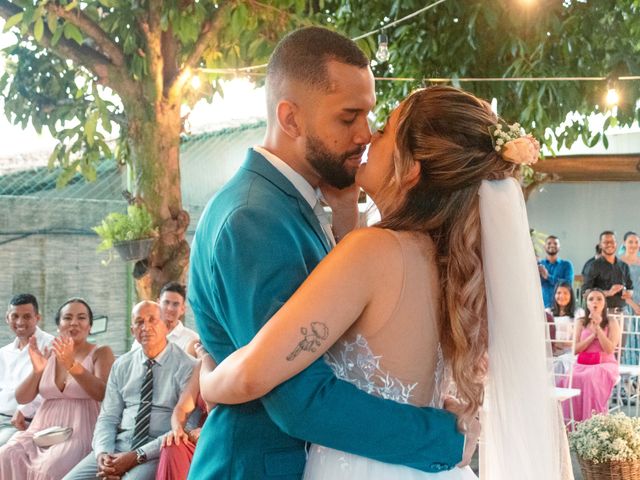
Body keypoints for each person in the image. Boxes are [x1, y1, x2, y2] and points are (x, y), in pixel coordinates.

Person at [198, 85, 569, 479]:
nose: (367, 136)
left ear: (411, 169)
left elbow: (255, 374)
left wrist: (207, 381)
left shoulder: (371, 251)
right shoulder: (453, 262)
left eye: (386, 129)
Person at [188, 27, 479, 480]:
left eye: (371, 117)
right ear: (291, 119)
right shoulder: (253, 217)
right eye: (349, 118)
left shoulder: (303, 207)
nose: (364, 135)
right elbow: (297, 398)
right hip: (258, 466)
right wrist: (443, 437)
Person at [64, 301, 195, 480]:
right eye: (139, 322)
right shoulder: (122, 365)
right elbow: (108, 417)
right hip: (119, 447)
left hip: (156, 451)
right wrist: (103, 454)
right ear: (132, 331)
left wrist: (137, 455)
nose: (145, 327)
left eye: (152, 320)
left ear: (166, 326)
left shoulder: (188, 366)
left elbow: (187, 427)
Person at [0, 298, 114, 480]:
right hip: (41, 429)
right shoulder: (50, 352)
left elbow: (103, 394)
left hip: (79, 430)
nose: (74, 323)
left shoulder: (101, 353)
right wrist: (37, 371)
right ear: (58, 326)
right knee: (7, 454)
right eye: (67, 318)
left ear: (90, 326)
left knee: (48, 469)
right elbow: (22, 398)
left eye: (81, 318)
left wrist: (72, 365)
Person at [0, 294, 54, 446]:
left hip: (23, 422)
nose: (20, 322)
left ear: (37, 318)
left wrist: (24, 409)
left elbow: (50, 388)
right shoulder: (3, 352)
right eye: (15, 316)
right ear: (7, 318)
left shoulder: (50, 346)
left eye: (27, 316)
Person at [560, 289, 621, 423]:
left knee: (590, 378)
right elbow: (575, 349)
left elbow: (609, 349)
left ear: (604, 303)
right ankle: (572, 423)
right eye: (591, 299)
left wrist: (598, 327)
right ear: (586, 303)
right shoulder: (581, 322)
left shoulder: (611, 321)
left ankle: (593, 423)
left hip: (604, 364)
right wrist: (592, 336)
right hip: (582, 363)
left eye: (599, 299)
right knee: (570, 378)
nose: (595, 302)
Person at [156, 347, 212, 480]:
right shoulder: (203, 363)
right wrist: (177, 431)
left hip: (225, 435)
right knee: (172, 445)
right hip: (197, 438)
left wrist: (207, 431)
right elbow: (182, 408)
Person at [130, 282, 199, 356]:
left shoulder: (191, 339)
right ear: (158, 303)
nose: (170, 308)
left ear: (183, 309)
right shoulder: (146, 333)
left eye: (175, 304)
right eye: (166, 302)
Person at [582, 231, 633, 311]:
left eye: (612, 242)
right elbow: (585, 293)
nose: (609, 244)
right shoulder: (592, 265)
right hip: (601, 312)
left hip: (623, 311)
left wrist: (628, 293)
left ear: (616, 243)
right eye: (606, 242)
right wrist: (608, 292)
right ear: (600, 245)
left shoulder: (624, 266)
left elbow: (630, 288)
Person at [546, 282, 584, 376]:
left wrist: (561, 344)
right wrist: (553, 344)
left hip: (570, 351)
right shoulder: (548, 312)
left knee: (560, 363)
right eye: (558, 293)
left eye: (565, 293)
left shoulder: (578, 313)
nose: (561, 296)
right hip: (551, 351)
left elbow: (580, 338)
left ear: (571, 295)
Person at [538, 236, 574, 308]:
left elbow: (567, 284)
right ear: (544, 247)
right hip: (542, 306)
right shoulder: (539, 265)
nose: (552, 245)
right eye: (549, 243)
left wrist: (548, 277)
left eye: (555, 243)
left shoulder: (566, 264)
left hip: (562, 307)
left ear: (559, 247)